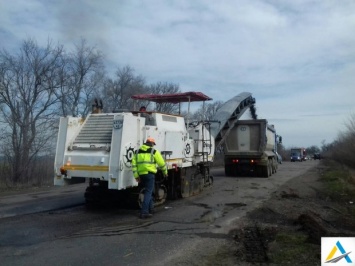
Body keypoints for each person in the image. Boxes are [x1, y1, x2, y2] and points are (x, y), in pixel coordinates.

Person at [132, 137, 168, 219]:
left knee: (149, 191)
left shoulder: (137, 152)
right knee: (148, 192)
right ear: (152, 144)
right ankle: (144, 212)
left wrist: (136, 176)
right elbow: (161, 163)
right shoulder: (153, 151)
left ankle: (151, 209)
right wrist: (165, 172)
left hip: (141, 175)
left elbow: (133, 165)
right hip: (149, 174)